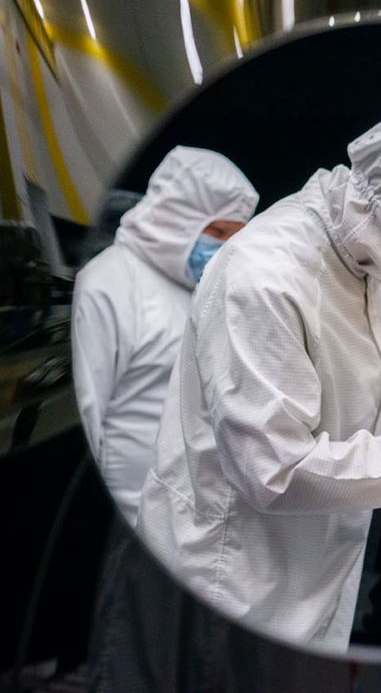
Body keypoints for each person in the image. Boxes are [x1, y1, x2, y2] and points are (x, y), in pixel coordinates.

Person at [134, 111, 381, 650]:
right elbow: (277, 472)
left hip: (307, 573)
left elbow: (370, 402)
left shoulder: (372, 255)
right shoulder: (264, 277)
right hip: (230, 582)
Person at [72, 146, 257, 525]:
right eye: (218, 231)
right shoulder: (107, 284)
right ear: (177, 217)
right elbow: (85, 416)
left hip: (183, 527)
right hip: (123, 519)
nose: (224, 248)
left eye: (234, 237)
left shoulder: (207, 293)